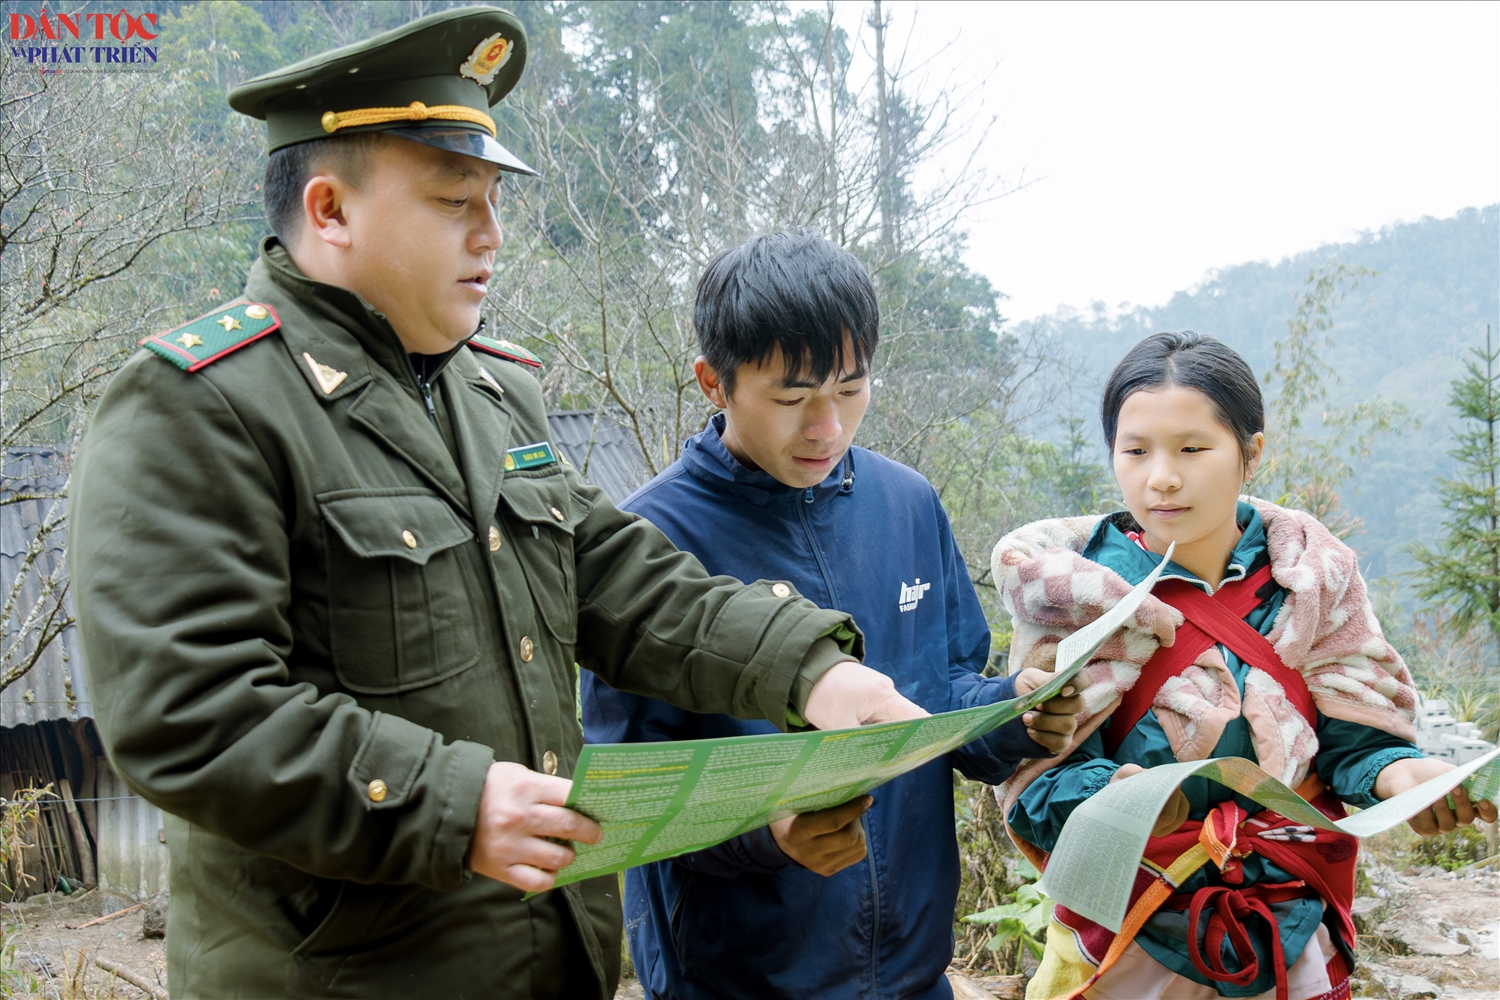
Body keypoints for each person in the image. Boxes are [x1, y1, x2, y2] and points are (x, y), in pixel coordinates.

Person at [68, 11, 925, 1000]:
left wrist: (809, 669)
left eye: (492, 199)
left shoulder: (490, 390)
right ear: (330, 209)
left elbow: (617, 579)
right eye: (452, 200)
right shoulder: (205, 403)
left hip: (545, 957)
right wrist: (454, 800)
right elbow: (190, 712)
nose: (492, 233)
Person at [581, 230, 1085, 1000]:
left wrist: (1015, 712)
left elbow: (940, 689)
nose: (827, 427)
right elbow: (635, 796)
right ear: (712, 382)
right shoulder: (649, 546)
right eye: (792, 398)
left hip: (915, 975)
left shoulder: (907, 503)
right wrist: (769, 835)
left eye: (851, 390)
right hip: (736, 984)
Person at [990, 331, 1499, 1000]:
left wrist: (1404, 776)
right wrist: (1126, 802)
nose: (1161, 476)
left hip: (1288, 922)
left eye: (1193, 449)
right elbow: (1033, 774)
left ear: (1251, 453)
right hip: (1128, 938)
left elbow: (1354, 742)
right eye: (1135, 451)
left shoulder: (1314, 580)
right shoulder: (1068, 593)